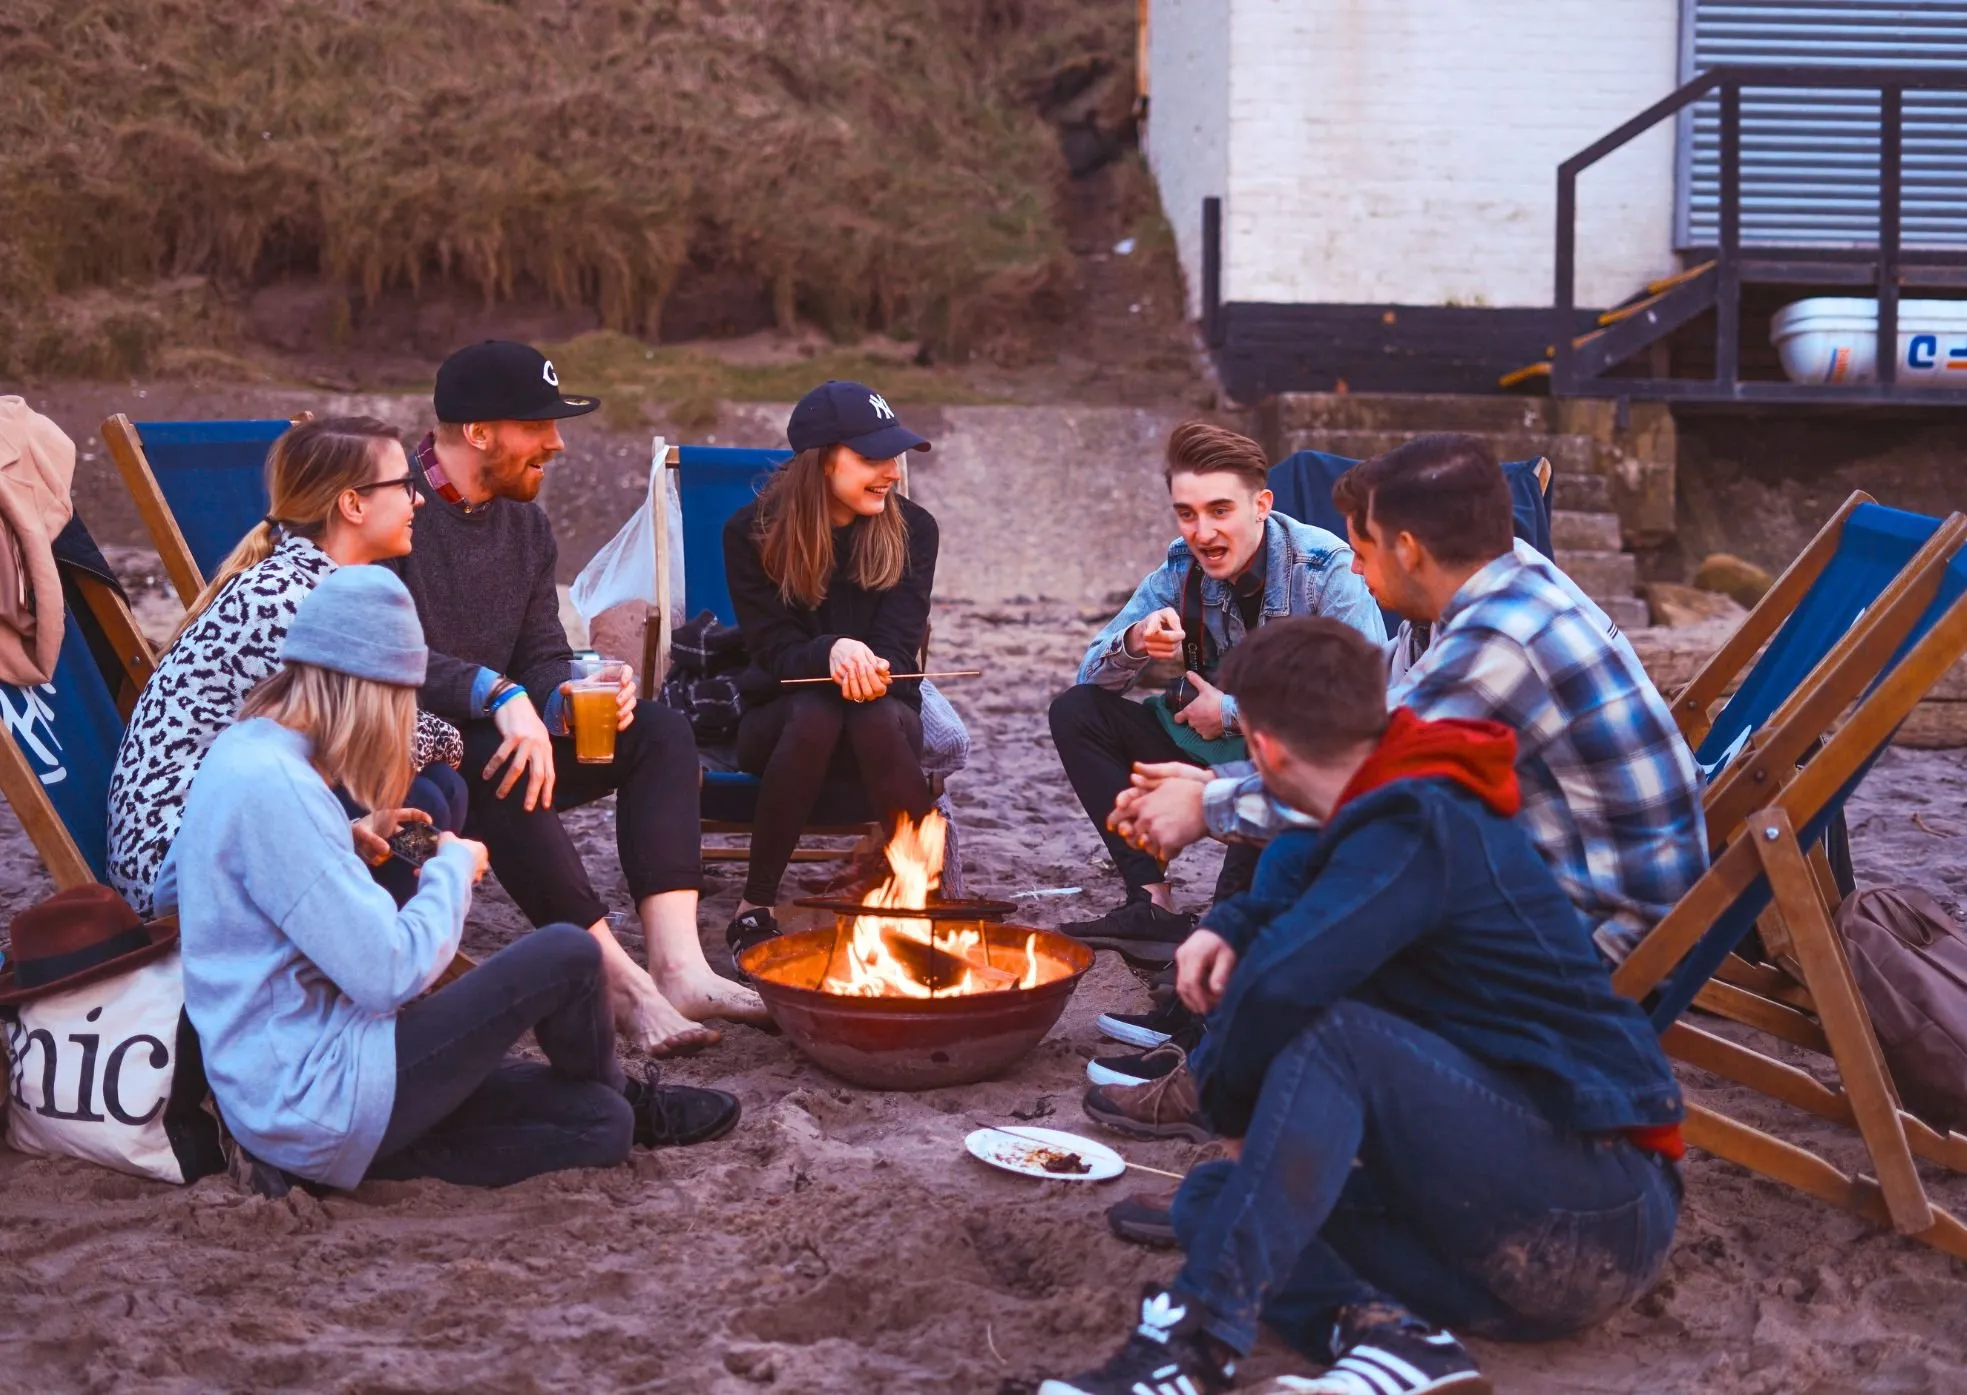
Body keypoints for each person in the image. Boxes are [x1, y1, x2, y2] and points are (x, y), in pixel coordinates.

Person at [1040, 618, 1683, 1395]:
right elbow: (1291, 874)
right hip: (1490, 1251)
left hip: (1596, 1206)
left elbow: (1282, 986)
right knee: (1214, 1197)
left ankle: (1193, 1342)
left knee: (1333, 1038)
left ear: (1264, 750)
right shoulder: (1368, 801)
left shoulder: (1421, 819)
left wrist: (1232, 1114)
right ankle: (1394, 1337)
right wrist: (1231, 923)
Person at [163, 568, 740, 1192]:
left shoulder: (245, 752)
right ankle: (617, 1089)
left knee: (600, 1126)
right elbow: (387, 975)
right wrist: (450, 872)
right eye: (401, 701)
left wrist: (344, 840)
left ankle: (609, 1103)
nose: (402, 721)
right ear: (365, 688)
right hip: (319, 1093)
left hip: (297, 1091)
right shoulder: (279, 789)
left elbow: (191, 883)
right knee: (569, 954)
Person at [1111, 433, 1707, 967]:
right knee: (1301, 855)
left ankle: (1220, 1056)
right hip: (1545, 867)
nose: (1350, 565)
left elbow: (1371, 776)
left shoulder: (1503, 637)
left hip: (1606, 929)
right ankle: (1208, 1037)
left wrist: (1207, 805)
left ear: (1409, 551)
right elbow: (1372, 720)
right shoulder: (1481, 587)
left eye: (1362, 551)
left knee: (1337, 878)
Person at [389, 340, 765, 1056]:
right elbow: (383, 650)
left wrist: (569, 689)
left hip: (513, 729)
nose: (557, 444)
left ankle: (679, 966)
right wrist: (499, 696)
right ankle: (620, 984)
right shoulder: (390, 506)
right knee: (501, 762)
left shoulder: (525, 524)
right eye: (540, 426)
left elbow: (539, 648)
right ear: (479, 432)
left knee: (658, 729)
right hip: (416, 753)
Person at [1048, 421, 1385, 964]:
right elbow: (1092, 675)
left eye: (1219, 511)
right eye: (1187, 513)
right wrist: (1136, 640)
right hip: (1206, 747)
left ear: (1261, 505)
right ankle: (1150, 903)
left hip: (1292, 761)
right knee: (1077, 712)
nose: (1201, 533)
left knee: (1236, 908)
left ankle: (1212, 973)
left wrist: (1230, 711)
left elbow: (1368, 701)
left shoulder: (1325, 568)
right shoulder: (1181, 567)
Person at [107, 416, 468, 917]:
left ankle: (379, 936)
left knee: (433, 791)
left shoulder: (303, 581)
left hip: (230, 825)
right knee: (421, 788)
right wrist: (460, 732)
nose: (419, 499)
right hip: (179, 868)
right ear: (352, 503)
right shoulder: (286, 600)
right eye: (405, 486)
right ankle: (371, 947)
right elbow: (381, 740)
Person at [720, 381, 939, 963]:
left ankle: (919, 900)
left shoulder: (915, 531)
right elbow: (772, 650)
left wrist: (868, 664)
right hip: (781, 725)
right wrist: (830, 651)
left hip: (883, 722)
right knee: (818, 709)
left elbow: (897, 645)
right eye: (872, 458)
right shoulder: (752, 533)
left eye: (893, 457)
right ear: (821, 462)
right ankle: (755, 908)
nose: (890, 472)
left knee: (868, 711)